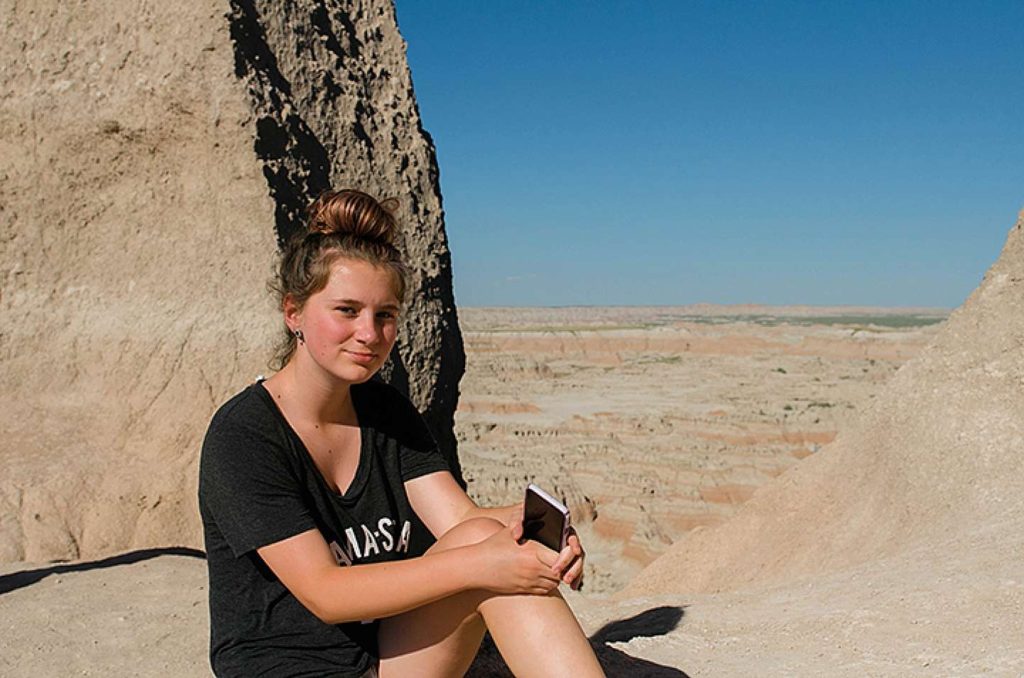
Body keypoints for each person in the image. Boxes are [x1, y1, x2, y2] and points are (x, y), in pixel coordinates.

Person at [198, 189, 605, 677]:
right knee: (485, 554)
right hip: (289, 670)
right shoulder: (244, 436)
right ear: (294, 313)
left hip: (387, 660)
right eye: (346, 311)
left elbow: (460, 521)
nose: (370, 334)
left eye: (385, 315)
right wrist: (482, 563)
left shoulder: (384, 410)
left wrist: (534, 526)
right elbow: (325, 593)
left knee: (487, 537)